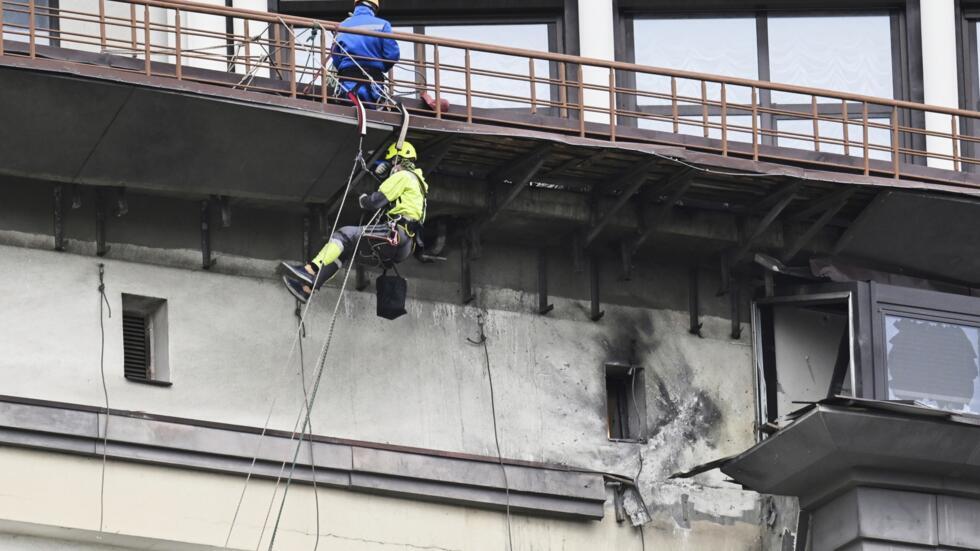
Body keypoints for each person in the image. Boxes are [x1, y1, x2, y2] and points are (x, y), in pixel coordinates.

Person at [280, 141, 427, 303]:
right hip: (404, 245)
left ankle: (310, 269)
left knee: (344, 235)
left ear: (400, 159)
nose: (392, 165)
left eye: (393, 161)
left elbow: (374, 202)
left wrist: (363, 199)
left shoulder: (403, 176)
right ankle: (307, 289)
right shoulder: (418, 183)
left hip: (396, 235)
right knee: (344, 251)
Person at [331, 0, 400, 107]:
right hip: (373, 86)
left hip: (347, 84)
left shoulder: (341, 27)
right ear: (374, 7)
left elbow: (336, 58)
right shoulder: (383, 25)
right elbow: (392, 55)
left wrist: (346, 66)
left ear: (356, 6)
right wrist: (382, 66)